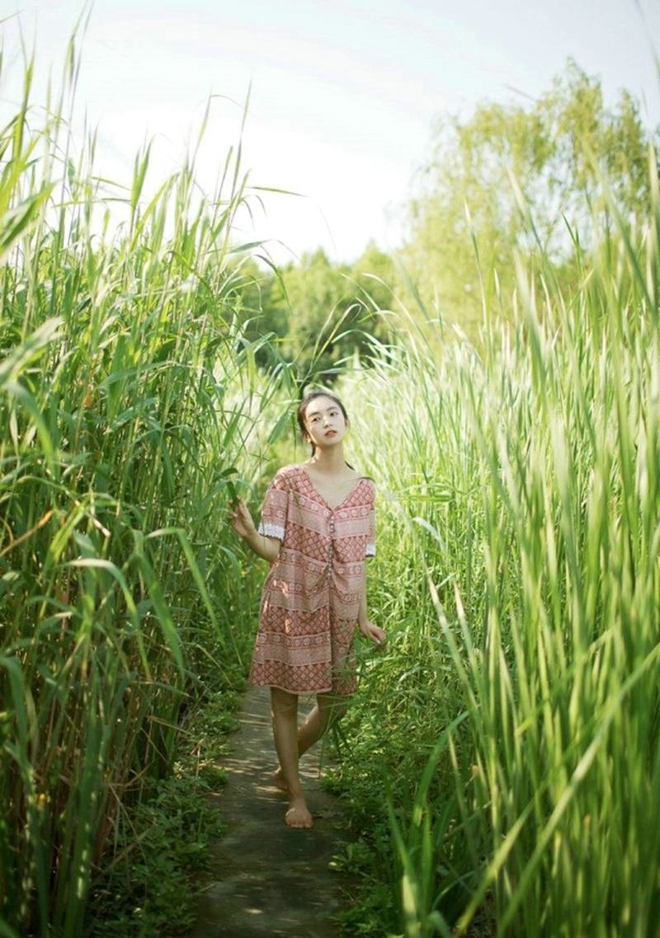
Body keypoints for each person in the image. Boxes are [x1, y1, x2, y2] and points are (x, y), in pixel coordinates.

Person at [228, 391, 386, 829]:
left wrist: (363, 618)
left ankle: (286, 765)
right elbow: (272, 549)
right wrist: (247, 535)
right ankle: (296, 794)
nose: (326, 421)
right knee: (285, 701)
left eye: (333, 413)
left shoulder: (365, 490)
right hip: (292, 600)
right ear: (307, 432)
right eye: (315, 418)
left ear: (346, 421)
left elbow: (358, 562)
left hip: (340, 607)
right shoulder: (289, 480)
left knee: (337, 699)